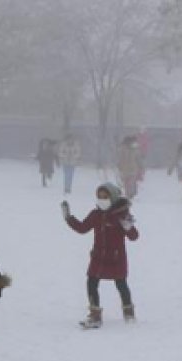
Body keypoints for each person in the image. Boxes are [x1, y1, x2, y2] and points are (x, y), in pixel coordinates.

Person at [64, 183, 139, 328]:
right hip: (98, 257)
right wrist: (69, 218)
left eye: (105, 197)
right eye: (99, 197)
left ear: (113, 197)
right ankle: (95, 315)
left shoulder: (122, 215)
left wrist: (128, 227)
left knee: (121, 284)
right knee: (91, 282)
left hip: (116, 258)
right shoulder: (96, 215)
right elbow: (82, 228)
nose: (102, 200)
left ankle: (129, 312)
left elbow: (134, 236)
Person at [116, 135, 143, 200]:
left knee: (129, 182)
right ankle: (130, 194)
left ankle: (130, 194)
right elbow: (138, 159)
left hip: (128, 169)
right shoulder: (131, 149)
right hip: (129, 168)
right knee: (129, 182)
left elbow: (120, 159)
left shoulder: (125, 149)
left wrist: (119, 165)